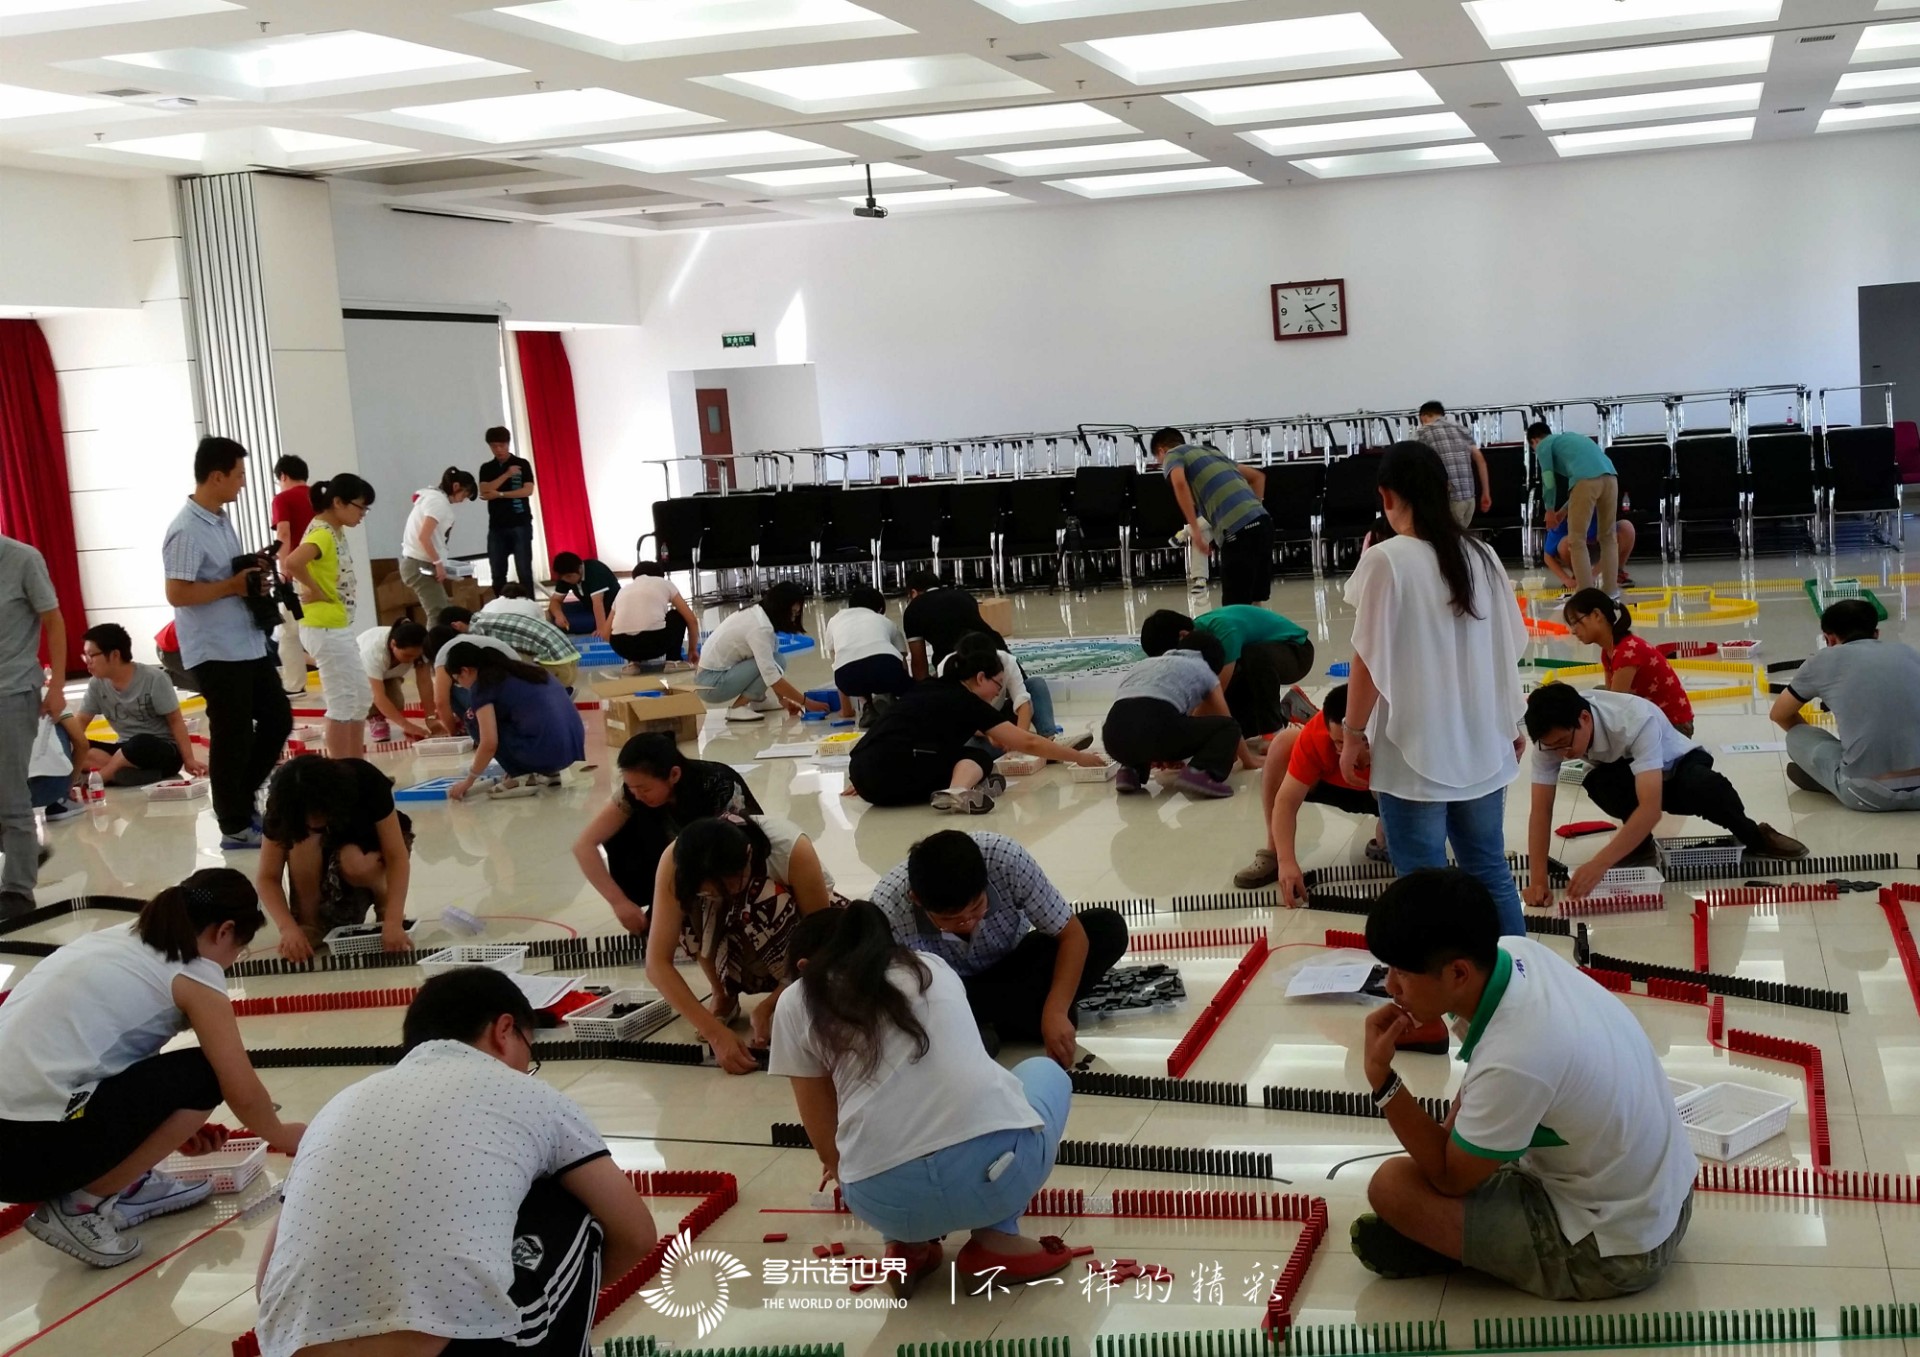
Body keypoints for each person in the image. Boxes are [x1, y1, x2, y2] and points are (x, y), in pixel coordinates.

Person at [256, 968, 658, 1357]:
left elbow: (265, 1282)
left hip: (288, 1349)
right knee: (569, 1202)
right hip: (462, 1347)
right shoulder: (530, 1095)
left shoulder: (340, 1104)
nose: (527, 1069)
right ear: (504, 1030)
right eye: (529, 1050)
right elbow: (636, 1234)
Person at [1350, 868, 1696, 1299]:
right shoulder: (1516, 954)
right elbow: (1482, 1083)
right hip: (1667, 1195)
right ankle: (1462, 1235)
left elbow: (1449, 1179)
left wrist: (1382, 1078)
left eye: (1403, 973)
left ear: (1458, 974)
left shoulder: (1516, 1056)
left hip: (1622, 1250)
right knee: (1457, 1148)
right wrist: (1450, 1141)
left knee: (1392, 1187)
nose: (1390, 986)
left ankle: (1458, 1247)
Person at [0, 868, 304, 1268]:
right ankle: (81, 1207)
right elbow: (240, 1090)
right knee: (204, 1074)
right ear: (225, 931)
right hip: (25, 1156)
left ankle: (129, 1181)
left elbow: (112, 1053)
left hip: (13, 1141)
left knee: (182, 1080)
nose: (231, 963)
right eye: (239, 951)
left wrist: (164, 1126)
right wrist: (283, 1135)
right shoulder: (193, 971)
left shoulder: (121, 939)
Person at [770, 903, 1078, 1293]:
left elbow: (824, 1139)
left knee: (875, 1143)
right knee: (1044, 1074)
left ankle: (906, 1245)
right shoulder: (930, 967)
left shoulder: (796, 1000)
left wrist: (852, 1164)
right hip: (994, 1176)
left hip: (883, 1201)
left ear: (804, 966)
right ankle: (996, 1240)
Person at [1341, 441, 1530, 942]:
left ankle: (1438, 980)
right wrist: (1511, 720)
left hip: (1415, 753)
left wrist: (1353, 734)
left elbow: (1367, 659)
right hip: (1483, 743)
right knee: (1490, 870)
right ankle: (1517, 974)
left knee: (1422, 883)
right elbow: (1507, 648)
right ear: (1447, 491)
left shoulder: (1386, 560)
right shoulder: (1482, 555)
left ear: (1386, 495)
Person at [1523, 683, 1806, 903]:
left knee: (1708, 788)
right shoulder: (1549, 742)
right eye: (1552, 747)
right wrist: (1538, 881)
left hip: (1677, 768)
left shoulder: (1634, 718)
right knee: (1599, 783)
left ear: (1584, 718)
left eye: (1565, 743)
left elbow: (1650, 809)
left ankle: (1756, 835)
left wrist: (1600, 863)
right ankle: (1637, 845)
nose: (1562, 753)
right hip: (1627, 770)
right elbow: (1541, 810)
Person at [871, 830, 1128, 1063]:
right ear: (916, 900)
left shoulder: (1006, 859)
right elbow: (880, 997)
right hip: (951, 993)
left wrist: (1056, 1010)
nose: (968, 924)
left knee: (1106, 928)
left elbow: (1072, 936)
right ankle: (1007, 1019)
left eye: (977, 908)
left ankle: (985, 1025)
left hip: (1013, 965)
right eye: (950, 920)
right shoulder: (886, 909)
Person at [162, 436, 293, 851]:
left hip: (245, 641)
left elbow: (223, 576)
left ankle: (240, 796)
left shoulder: (219, 520)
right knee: (231, 734)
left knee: (277, 718)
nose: (242, 483)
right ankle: (234, 823)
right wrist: (232, 586)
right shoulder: (185, 531)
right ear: (216, 476)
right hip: (215, 649)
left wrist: (250, 570)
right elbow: (177, 593)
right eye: (238, 475)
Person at [646, 814, 838, 1074]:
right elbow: (657, 963)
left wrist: (773, 1004)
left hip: (793, 950)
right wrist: (714, 1033)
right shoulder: (678, 860)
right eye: (709, 891)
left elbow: (822, 942)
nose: (722, 896)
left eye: (730, 886)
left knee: (764, 897)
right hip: (733, 956)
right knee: (685, 906)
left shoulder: (792, 850)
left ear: (749, 855)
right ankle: (722, 992)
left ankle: (790, 992)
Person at [848, 640, 1106, 813]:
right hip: (892, 776)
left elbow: (885, 731)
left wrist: (864, 774)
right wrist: (1078, 757)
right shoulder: (967, 702)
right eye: (998, 684)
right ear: (981, 677)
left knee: (956, 754)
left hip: (862, 776)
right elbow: (1027, 741)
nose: (997, 692)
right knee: (978, 757)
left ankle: (969, 786)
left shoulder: (928, 687)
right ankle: (957, 792)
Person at [572, 733, 762, 935]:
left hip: (730, 869)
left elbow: (737, 853)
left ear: (674, 775)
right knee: (623, 833)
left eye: (644, 789)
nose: (637, 795)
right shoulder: (634, 794)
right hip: (678, 868)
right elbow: (584, 846)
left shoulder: (718, 785)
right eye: (631, 787)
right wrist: (619, 902)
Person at [258, 754, 414, 962]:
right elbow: (268, 876)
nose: (313, 821)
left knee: (355, 862)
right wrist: (287, 928)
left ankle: (383, 901)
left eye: (317, 814)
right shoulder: (283, 805)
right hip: (321, 858)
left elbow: (396, 856)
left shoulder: (365, 780)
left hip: (369, 849)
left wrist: (393, 919)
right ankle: (310, 922)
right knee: (301, 843)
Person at [1234, 684, 1387, 893]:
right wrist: (1286, 861)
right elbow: (1286, 802)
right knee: (1283, 744)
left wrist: (1393, 820)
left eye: (1357, 741)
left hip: (1390, 793)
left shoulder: (1395, 732)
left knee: (1400, 843)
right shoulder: (1317, 734)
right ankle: (1274, 851)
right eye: (1338, 743)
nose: (1345, 751)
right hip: (1339, 787)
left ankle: (1389, 829)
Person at [1771, 599, 1920, 811]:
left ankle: (1832, 779)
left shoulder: (1822, 660)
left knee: (1797, 736)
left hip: (1866, 794)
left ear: (1829, 639)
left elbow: (1779, 714)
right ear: (1876, 634)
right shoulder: (1910, 653)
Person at [1101, 631, 1260, 799]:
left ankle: (1129, 771)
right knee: (1229, 728)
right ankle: (1201, 772)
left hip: (1113, 738)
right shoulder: (1204, 669)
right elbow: (1225, 717)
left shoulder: (1145, 664)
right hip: (1156, 728)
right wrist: (1248, 761)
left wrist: (1165, 751)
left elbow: (1142, 716)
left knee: (1137, 725)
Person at [285, 474, 375, 761]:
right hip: (324, 626)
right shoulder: (323, 533)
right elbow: (292, 562)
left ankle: (355, 767)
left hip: (336, 624)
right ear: (338, 503)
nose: (362, 514)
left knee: (360, 699)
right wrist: (314, 590)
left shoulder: (335, 531)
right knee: (343, 702)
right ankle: (342, 771)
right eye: (360, 507)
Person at [1, 532, 63, 915]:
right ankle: (25, 850)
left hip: (11, 690)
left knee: (9, 795)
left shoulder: (22, 559)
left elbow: (53, 621)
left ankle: (18, 892)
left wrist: (56, 686)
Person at [1139, 605, 1314, 737]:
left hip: (1296, 652)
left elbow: (1217, 690)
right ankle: (1287, 709)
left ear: (1183, 636)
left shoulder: (1223, 630)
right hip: (1256, 663)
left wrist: (1183, 732)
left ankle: (1273, 731)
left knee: (1253, 656)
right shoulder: (1198, 638)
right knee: (1234, 725)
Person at [445, 644, 586, 800]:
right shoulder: (526, 669)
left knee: (472, 718)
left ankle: (522, 775)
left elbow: (489, 743)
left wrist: (469, 781)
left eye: (458, 681)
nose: (462, 686)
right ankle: (549, 772)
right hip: (573, 750)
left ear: (465, 671)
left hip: (546, 752)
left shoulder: (483, 685)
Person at [1150, 427, 1272, 606]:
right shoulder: (1213, 453)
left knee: (1234, 607)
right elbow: (1258, 477)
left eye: (1158, 460)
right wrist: (1254, 509)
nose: (1162, 464)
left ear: (1161, 450)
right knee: (1254, 601)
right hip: (1263, 523)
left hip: (1238, 530)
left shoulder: (1172, 454)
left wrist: (1195, 532)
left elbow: (1180, 484)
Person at [75, 623, 205, 785]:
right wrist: (69, 745)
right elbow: (80, 722)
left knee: (139, 744)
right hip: (124, 749)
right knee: (78, 745)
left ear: (115, 655)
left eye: (91, 656)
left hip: (161, 750)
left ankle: (99, 778)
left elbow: (176, 721)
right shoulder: (96, 684)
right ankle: (129, 773)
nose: (87, 662)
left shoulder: (154, 678)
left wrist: (189, 760)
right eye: (85, 656)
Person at [693, 581, 828, 723]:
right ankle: (738, 708)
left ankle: (758, 700)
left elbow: (770, 666)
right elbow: (770, 674)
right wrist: (807, 703)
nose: (793, 618)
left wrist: (782, 700)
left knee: (776, 660)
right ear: (781, 608)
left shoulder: (758, 613)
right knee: (776, 661)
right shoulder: (760, 628)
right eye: (792, 612)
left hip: (710, 679)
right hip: (711, 685)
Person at [1562, 590, 1693, 735]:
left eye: (1576, 622)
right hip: (1655, 718)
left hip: (1675, 727)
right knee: (1597, 694)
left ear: (1597, 615)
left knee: (1599, 707)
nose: (1573, 631)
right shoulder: (1608, 651)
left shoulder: (1626, 651)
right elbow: (1610, 696)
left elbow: (1615, 706)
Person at [1527, 423, 1620, 605]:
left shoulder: (1543, 445)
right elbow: (1589, 481)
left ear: (1535, 441)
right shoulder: (1571, 438)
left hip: (1585, 482)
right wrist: (1563, 511)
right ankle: (1611, 591)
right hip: (1611, 478)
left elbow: (1549, 480)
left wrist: (1549, 509)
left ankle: (1585, 594)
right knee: (1608, 537)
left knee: (1576, 540)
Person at [398, 467, 477, 624]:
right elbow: (424, 537)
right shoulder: (438, 503)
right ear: (456, 486)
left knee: (443, 609)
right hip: (419, 564)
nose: (463, 500)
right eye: (464, 494)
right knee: (438, 613)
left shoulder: (431, 497)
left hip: (417, 563)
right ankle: (434, 640)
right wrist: (438, 563)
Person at [445, 603, 581, 691]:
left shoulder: (477, 630)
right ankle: (561, 689)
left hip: (556, 663)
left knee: (507, 668)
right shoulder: (482, 617)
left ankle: (558, 691)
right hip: (568, 656)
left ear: (456, 625)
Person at [826, 586, 911, 723]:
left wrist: (846, 710)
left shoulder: (835, 620)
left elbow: (837, 661)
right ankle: (894, 703)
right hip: (886, 668)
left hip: (847, 678)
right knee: (887, 673)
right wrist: (903, 689)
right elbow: (902, 660)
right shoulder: (885, 621)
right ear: (880, 610)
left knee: (855, 665)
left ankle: (867, 706)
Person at [423, 621, 521, 736]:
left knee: (449, 691)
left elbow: (440, 701)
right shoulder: (471, 639)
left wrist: (453, 733)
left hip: (501, 700)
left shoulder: (445, 651)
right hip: (516, 695)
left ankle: (475, 728)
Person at [901, 571, 1007, 676]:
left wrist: (926, 685)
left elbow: (919, 664)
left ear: (913, 593)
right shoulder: (964, 595)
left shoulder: (913, 610)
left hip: (960, 665)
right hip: (999, 653)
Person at [269, 454, 313, 696]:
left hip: (297, 572)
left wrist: (283, 568)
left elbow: (283, 534)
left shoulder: (282, 499)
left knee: (288, 631)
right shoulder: (319, 497)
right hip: (324, 571)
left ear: (283, 476)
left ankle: (294, 684)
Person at [608, 562, 699, 674]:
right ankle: (673, 661)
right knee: (677, 615)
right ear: (660, 576)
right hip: (655, 643)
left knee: (626, 623)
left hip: (621, 646)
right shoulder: (665, 583)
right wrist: (692, 650)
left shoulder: (623, 590)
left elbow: (606, 630)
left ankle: (632, 664)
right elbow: (692, 620)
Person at [1414, 402, 1492, 529]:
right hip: (1469, 499)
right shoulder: (1461, 429)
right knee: (1459, 536)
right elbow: (1480, 460)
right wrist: (1486, 493)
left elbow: (1410, 461)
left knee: (1444, 538)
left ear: (1423, 417)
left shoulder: (1423, 432)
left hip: (1448, 499)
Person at [479, 426, 536, 594]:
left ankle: (529, 606)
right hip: (497, 526)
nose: (498, 449)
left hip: (520, 523)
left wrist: (500, 494)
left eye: (502, 445)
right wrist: (506, 475)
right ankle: (501, 606)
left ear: (508, 444)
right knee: (497, 573)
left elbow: (528, 490)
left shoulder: (522, 464)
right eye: (494, 446)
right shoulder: (487, 468)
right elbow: (484, 490)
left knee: (524, 571)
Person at [360, 619, 437, 744]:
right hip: (355, 675)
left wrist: (431, 718)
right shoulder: (373, 652)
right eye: (408, 655)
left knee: (396, 702)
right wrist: (407, 726)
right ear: (393, 644)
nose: (412, 660)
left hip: (388, 674)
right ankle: (375, 717)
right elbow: (377, 696)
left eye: (416, 656)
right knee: (365, 700)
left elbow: (424, 683)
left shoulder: (422, 649)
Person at [1543, 513, 1636, 592]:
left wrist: (1593, 574)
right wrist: (1566, 579)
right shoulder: (1562, 521)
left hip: (1602, 548)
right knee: (1565, 544)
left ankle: (1616, 573)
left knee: (1627, 528)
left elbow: (1612, 544)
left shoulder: (1600, 511)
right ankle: (1579, 575)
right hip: (1578, 552)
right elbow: (1547, 556)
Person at [547, 552, 620, 638]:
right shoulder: (565, 576)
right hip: (588, 606)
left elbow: (598, 604)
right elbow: (555, 600)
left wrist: (601, 629)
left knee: (569, 623)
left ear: (580, 568)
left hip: (610, 610)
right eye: (564, 578)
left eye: (569, 576)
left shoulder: (595, 570)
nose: (566, 580)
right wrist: (558, 615)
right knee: (553, 613)